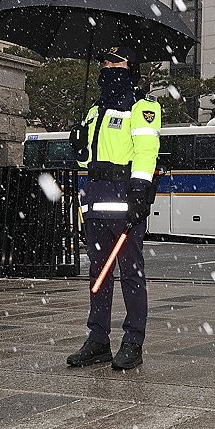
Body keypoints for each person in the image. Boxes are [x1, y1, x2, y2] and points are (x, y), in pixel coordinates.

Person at [67, 45, 161, 370]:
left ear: (130, 68)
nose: (108, 67)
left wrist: (138, 193)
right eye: (105, 62)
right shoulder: (94, 111)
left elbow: (147, 153)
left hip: (125, 206)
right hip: (94, 204)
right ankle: (98, 340)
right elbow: (87, 161)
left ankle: (134, 340)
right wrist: (78, 144)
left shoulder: (143, 108)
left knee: (131, 275)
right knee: (99, 275)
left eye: (116, 61)